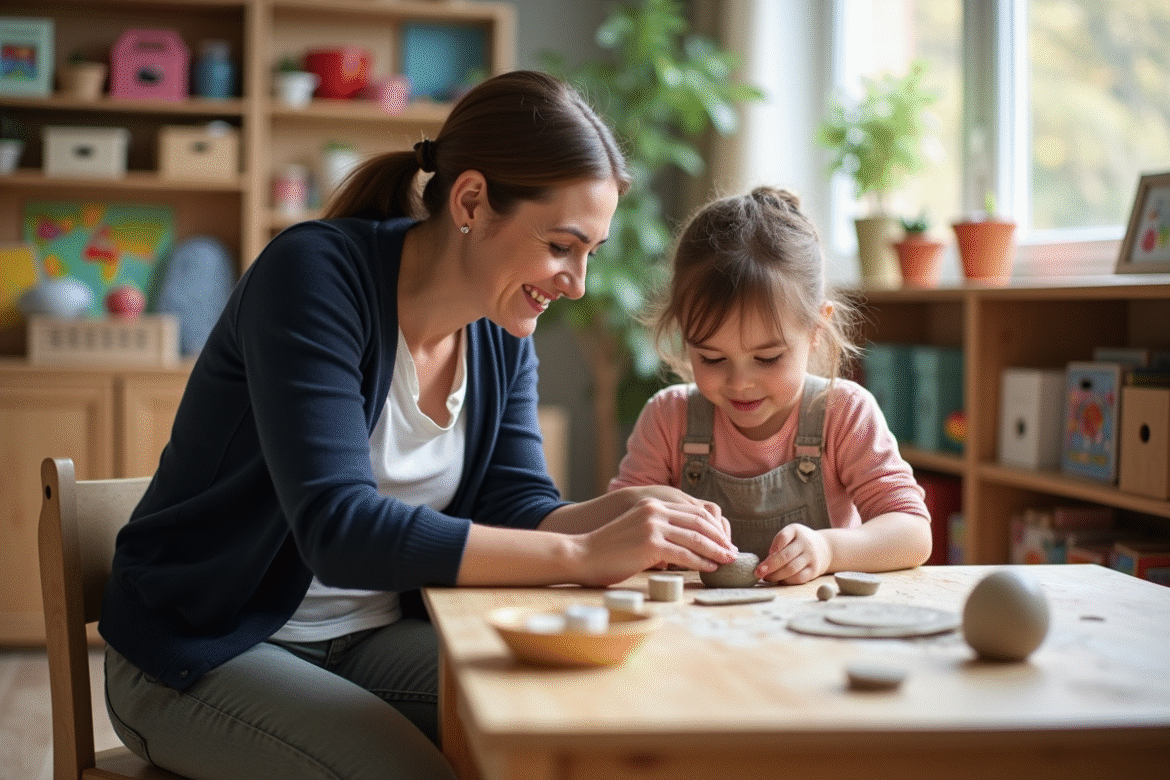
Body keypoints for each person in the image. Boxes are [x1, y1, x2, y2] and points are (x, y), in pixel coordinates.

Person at [99, 70, 736, 780]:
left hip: (365, 646)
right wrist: (583, 555)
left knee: (597, 718)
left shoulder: (500, 334)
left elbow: (515, 508)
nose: (577, 282)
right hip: (203, 650)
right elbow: (338, 528)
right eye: (561, 246)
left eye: (591, 252)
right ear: (471, 200)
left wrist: (614, 515)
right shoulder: (314, 277)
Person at [609, 186, 932, 585]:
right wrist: (654, 542)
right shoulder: (668, 419)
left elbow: (913, 533)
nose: (740, 383)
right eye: (711, 358)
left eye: (767, 358)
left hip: (810, 633)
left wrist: (829, 549)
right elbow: (614, 529)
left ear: (816, 328)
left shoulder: (842, 413)